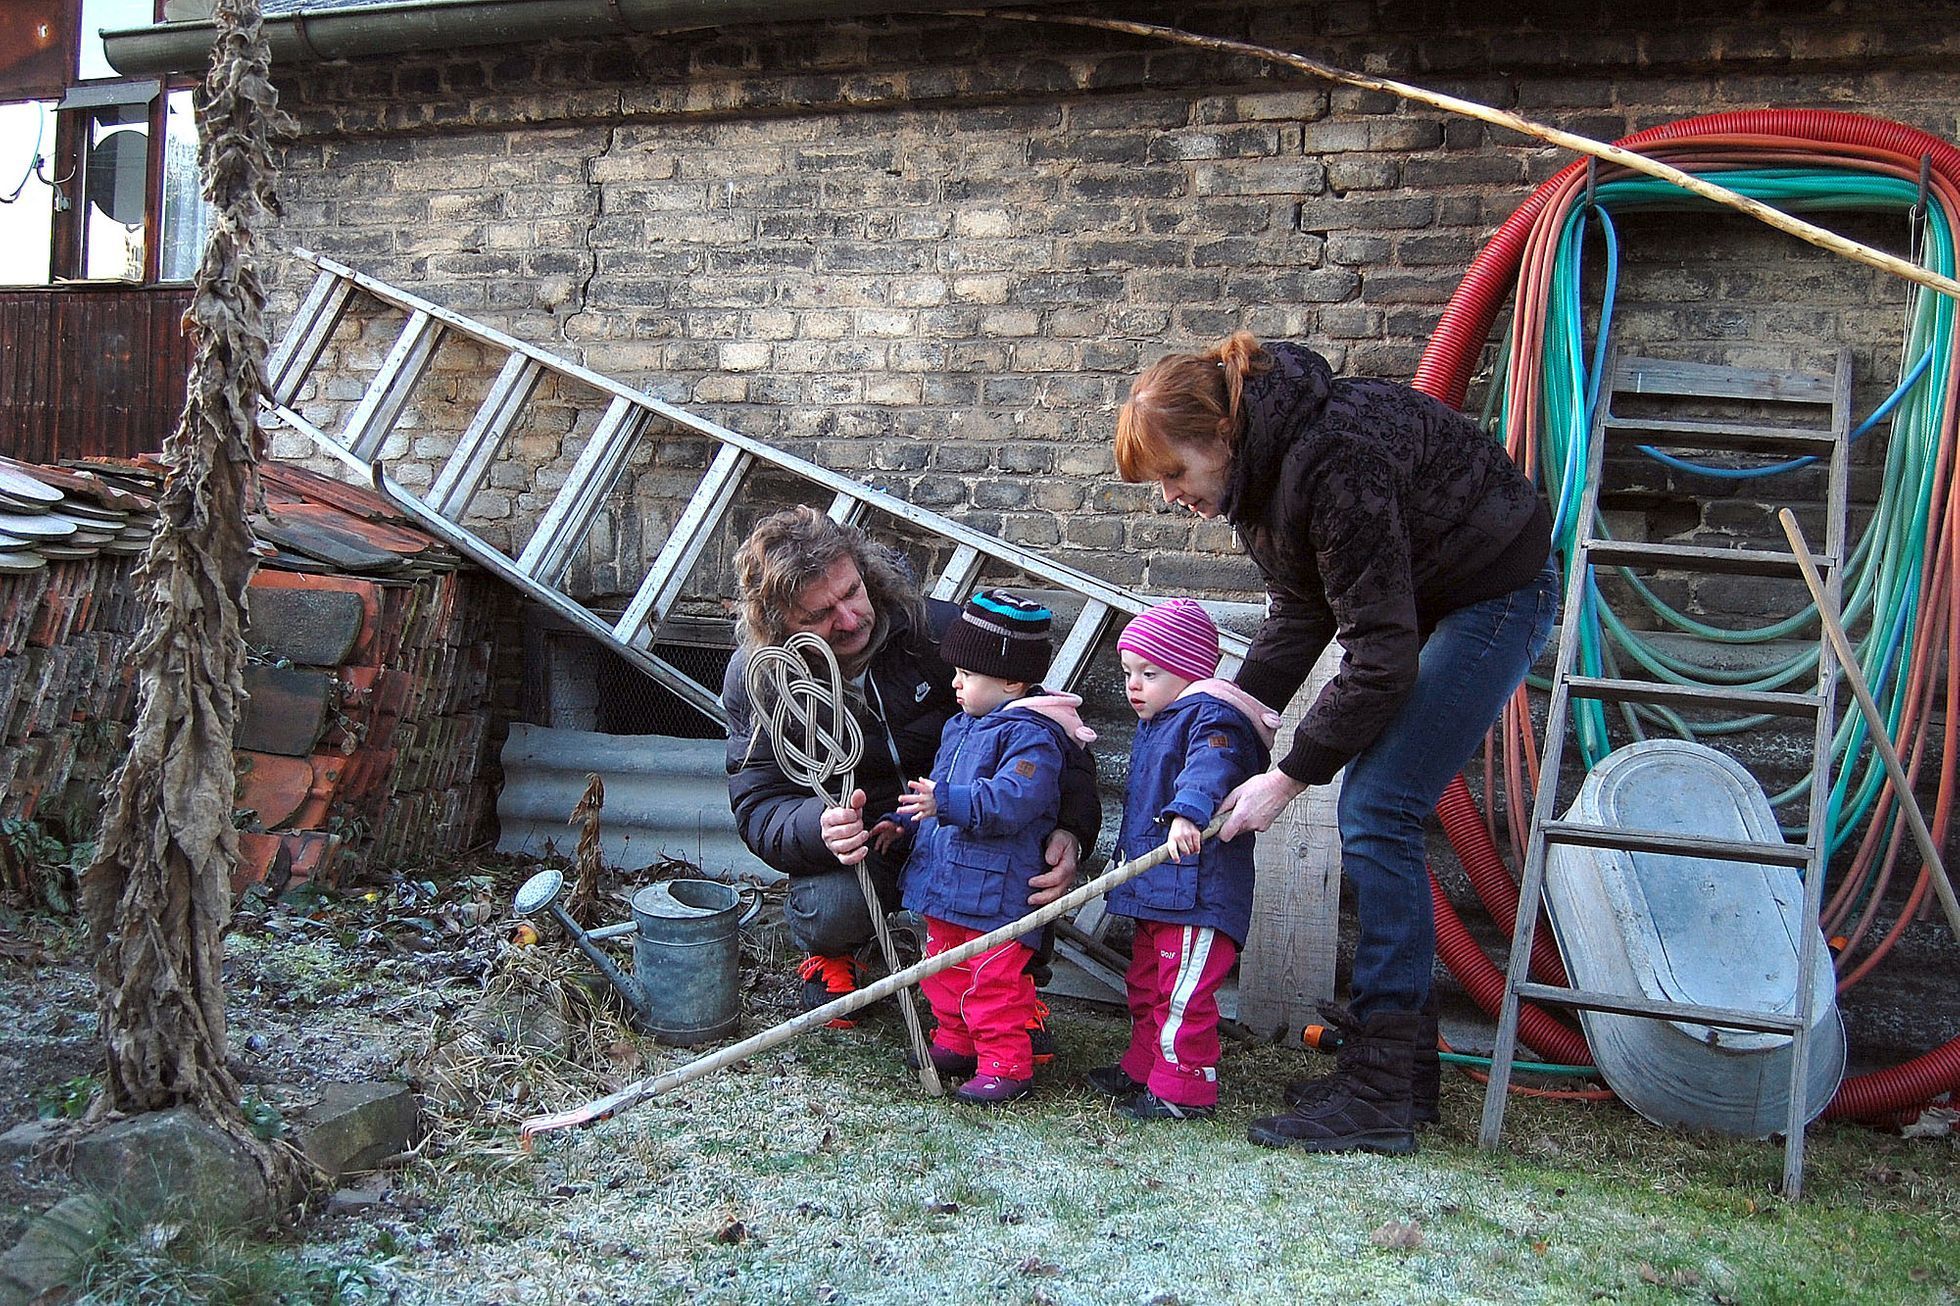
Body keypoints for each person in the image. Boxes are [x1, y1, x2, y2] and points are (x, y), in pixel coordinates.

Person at [1114, 332, 1558, 1155]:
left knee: (1380, 806)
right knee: (1377, 806)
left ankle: (1383, 1093)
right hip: (1437, 591)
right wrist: (1238, 701)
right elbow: (1303, 609)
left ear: (1219, 438)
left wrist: (1285, 776)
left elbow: (1380, 655)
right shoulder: (1261, 479)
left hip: (1497, 586)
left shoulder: (1332, 458)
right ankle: (1404, 1075)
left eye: (1174, 473)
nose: (1170, 495)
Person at [722, 506, 1100, 1030]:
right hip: (868, 844)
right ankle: (836, 953)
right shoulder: (761, 677)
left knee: (1020, 862)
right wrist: (818, 827)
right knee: (831, 907)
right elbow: (758, 803)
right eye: (818, 617)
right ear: (779, 623)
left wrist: (1071, 831)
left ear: (864, 569)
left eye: (851, 592)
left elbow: (1057, 735)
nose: (851, 619)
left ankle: (1009, 983)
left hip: (961, 833)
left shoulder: (944, 634)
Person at [890, 590, 1097, 1106]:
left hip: (996, 894)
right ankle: (957, 1042)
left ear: (1009, 680)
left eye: (967, 674)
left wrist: (948, 803)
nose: (954, 683)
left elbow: (1013, 800)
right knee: (942, 970)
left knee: (993, 981)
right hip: (949, 885)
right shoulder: (960, 727)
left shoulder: (1033, 737)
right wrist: (898, 822)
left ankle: (1006, 1062)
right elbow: (933, 791)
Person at [1085, 598, 1277, 1122]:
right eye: (1128, 672)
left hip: (1198, 890)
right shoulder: (1160, 721)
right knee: (1147, 982)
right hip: (1160, 889)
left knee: (1182, 993)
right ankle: (1146, 1067)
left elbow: (1210, 766)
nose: (1134, 685)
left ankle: (1183, 1089)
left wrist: (1188, 814)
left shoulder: (1213, 718)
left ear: (1191, 672)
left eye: (1150, 672)